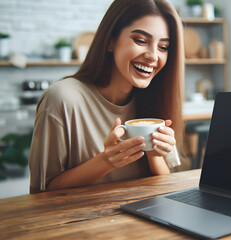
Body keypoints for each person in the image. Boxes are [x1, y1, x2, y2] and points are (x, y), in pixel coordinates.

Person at [29, 0, 184, 193]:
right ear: (110, 41)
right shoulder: (62, 99)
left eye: (163, 47)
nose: (153, 56)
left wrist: (154, 154)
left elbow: (163, 185)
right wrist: (106, 161)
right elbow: (41, 191)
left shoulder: (155, 99)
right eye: (141, 40)